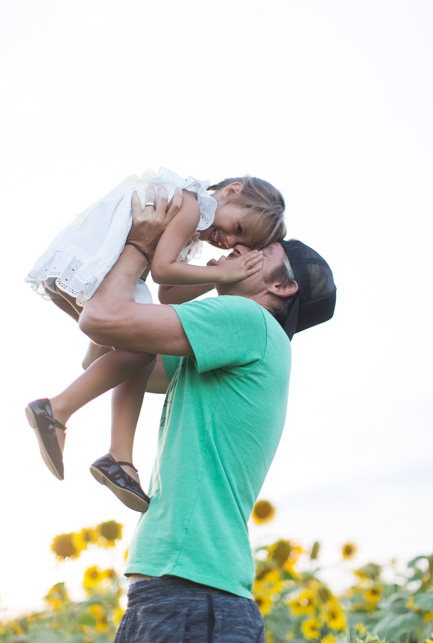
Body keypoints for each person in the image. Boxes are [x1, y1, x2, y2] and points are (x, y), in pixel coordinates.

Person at [73, 190, 335, 642]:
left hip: (190, 597)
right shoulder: (233, 343)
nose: (237, 249)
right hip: (185, 593)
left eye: (259, 251)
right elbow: (112, 352)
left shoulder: (246, 320)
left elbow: (104, 319)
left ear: (281, 285)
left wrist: (139, 245)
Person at [25, 170, 286, 511]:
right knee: (143, 347)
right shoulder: (191, 206)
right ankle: (58, 411)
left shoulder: (193, 223)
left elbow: (169, 294)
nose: (225, 241)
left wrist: (220, 272)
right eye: (237, 228)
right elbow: (162, 270)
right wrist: (223, 273)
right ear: (232, 191)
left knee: (137, 349)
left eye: (240, 243)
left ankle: (118, 455)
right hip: (101, 258)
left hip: (88, 260)